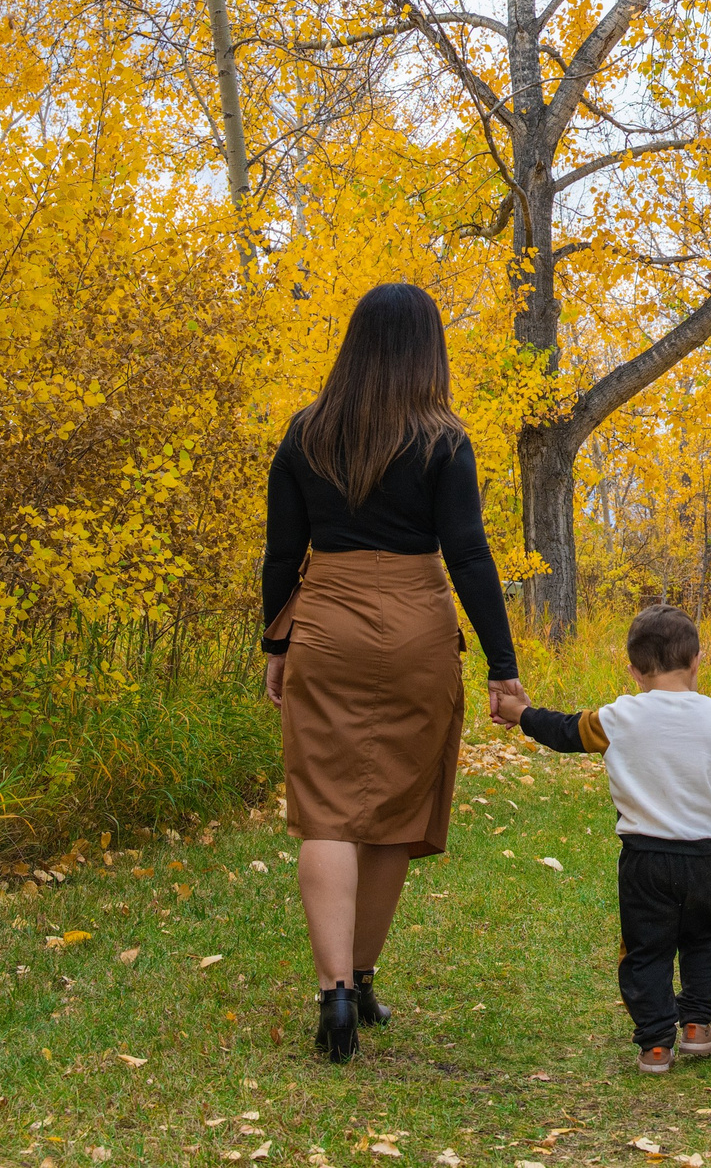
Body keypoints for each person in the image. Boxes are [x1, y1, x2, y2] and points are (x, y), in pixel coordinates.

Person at [261, 282, 526, 1063]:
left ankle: (336, 991)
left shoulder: (305, 434)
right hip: (416, 623)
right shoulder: (444, 439)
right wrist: (503, 668)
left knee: (328, 809)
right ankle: (365, 974)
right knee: (391, 812)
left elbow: (282, 553)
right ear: (426, 350)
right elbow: (469, 554)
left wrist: (276, 644)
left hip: (329, 620)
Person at [493, 606, 711, 1074]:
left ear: (633, 669)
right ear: (696, 661)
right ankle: (695, 1025)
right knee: (704, 937)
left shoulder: (618, 716)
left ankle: (654, 1045)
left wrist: (520, 712)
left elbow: (564, 732)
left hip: (644, 857)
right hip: (706, 857)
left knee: (645, 947)